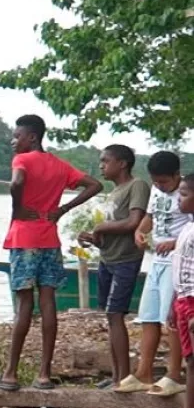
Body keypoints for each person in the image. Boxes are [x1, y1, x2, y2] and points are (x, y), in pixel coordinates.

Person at [0, 114, 103, 392]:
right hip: (49, 240)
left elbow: (16, 183)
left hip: (24, 238)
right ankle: (43, 374)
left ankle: (10, 373)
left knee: (24, 306)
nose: (13, 141)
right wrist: (63, 210)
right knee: (48, 303)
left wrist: (18, 208)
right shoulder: (58, 165)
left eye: (17, 136)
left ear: (32, 137)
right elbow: (95, 185)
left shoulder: (23, 160)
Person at [79, 145, 149, 391]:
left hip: (126, 260)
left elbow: (133, 222)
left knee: (116, 314)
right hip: (107, 259)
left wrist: (100, 229)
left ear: (122, 163)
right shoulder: (114, 192)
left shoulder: (136, 185)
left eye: (105, 161)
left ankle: (124, 378)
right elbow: (108, 229)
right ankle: (117, 373)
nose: (101, 166)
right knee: (110, 317)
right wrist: (93, 237)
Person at [124, 151, 186, 395]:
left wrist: (173, 242)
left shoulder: (185, 193)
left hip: (177, 261)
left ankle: (174, 374)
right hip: (156, 262)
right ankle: (144, 371)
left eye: (164, 182)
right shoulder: (156, 191)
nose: (160, 186)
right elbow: (150, 217)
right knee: (148, 316)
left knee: (171, 321)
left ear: (176, 175)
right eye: (156, 181)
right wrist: (140, 231)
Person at [159, 175, 194, 408]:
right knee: (190, 360)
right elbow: (180, 268)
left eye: (183, 194)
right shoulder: (187, 228)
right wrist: (174, 302)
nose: (178, 200)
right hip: (183, 299)